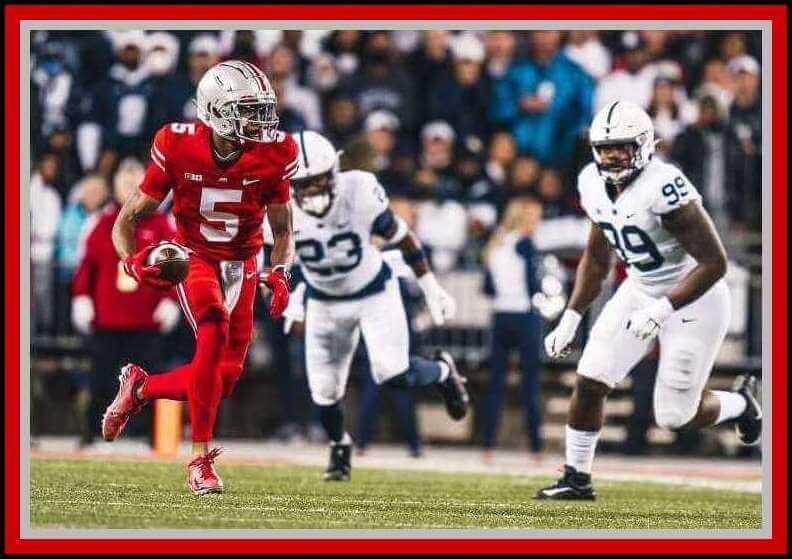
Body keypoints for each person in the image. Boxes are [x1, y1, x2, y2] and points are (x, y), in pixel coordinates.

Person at [536, 101, 762, 500]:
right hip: (641, 289)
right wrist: (572, 315)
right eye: (605, 148)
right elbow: (597, 256)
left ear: (643, 145)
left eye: (621, 147)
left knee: (675, 415)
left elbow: (715, 263)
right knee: (590, 379)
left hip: (696, 298)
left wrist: (663, 310)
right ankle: (576, 478)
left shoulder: (663, 186)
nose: (611, 156)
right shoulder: (591, 181)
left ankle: (740, 404)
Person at [100, 60, 297, 495]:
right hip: (194, 257)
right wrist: (131, 262)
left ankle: (140, 388)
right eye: (247, 110)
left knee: (222, 380)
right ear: (215, 109)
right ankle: (199, 460)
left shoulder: (275, 152)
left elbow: (283, 231)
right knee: (213, 331)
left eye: (261, 109)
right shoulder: (177, 144)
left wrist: (281, 273)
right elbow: (127, 219)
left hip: (245, 261)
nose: (259, 120)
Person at [279, 130, 469, 482]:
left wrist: (430, 286)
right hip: (324, 300)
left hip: (373, 292)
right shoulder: (277, 207)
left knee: (393, 374)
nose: (311, 191)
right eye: (302, 183)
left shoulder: (359, 190)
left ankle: (443, 372)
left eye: (318, 181)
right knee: (323, 392)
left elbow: (401, 236)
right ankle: (340, 446)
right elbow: (272, 261)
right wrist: (286, 293)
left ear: (334, 172)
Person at [70, 159, 178, 446]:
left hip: (146, 320)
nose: (130, 188)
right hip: (107, 318)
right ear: (115, 186)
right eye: (125, 182)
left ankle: (151, 435)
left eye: (135, 183)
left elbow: (176, 268)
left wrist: (170, 301)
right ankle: (93, 433)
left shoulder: (162, 225)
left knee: (149, 381)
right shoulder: (102, 222)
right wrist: (82, 298)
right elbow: (86, 266)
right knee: (101, 377)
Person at [481, 197, 544, 463]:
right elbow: (533, 284)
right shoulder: (525, 245)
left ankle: (487, 446)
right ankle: (535, 448)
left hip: (500, 316)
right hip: (524, 316)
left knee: (496, 385)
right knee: (530, 384)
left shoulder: (495, 247)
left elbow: (488, 288)